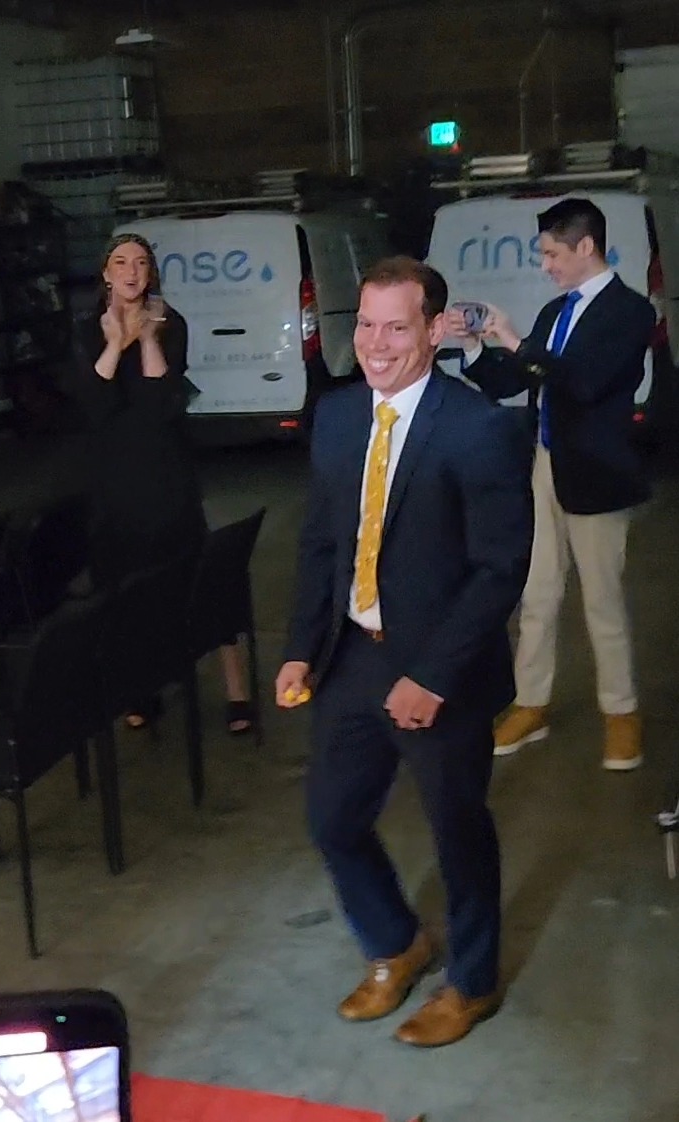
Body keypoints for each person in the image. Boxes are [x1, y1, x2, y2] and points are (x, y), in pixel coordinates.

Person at [276, 256, 533, 1047]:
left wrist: (432, 677)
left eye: (397, 326)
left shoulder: (478, 427)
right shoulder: (340, 415)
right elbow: (322, 540)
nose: (378, 343)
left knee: (457, 831)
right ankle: (396, 942)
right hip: (353, 655)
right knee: (333, 819)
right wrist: (299, 648)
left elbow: (500, 569)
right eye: (367, 325)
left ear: (432, 329)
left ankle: (474, 982)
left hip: (439, 670)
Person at [451, 198, 655, 771]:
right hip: (545, 463)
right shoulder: (554, 313)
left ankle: (621, 712)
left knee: (603, 602)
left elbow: (584, 385)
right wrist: (475, 345)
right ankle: (530, 701)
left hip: (597, 474)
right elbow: (514, 381)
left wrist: (517, 343)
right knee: (538, 596)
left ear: (585, 247)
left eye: (551, 253)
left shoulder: (630, 312)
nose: (545, 265)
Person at [73, 233, 252, 733]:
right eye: (121, 262)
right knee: (126, 584)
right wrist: (114, 343)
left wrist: (147, 337)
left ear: (151, 273)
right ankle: (140, 686)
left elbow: (158, 402)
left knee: (199, 574)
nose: (132, 271)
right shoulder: (86, 330)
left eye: (142, 263)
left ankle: (237, 693)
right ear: (105, 273)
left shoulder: (172, 325)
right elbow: (96, 404)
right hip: (115, 476)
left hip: (167, 471)